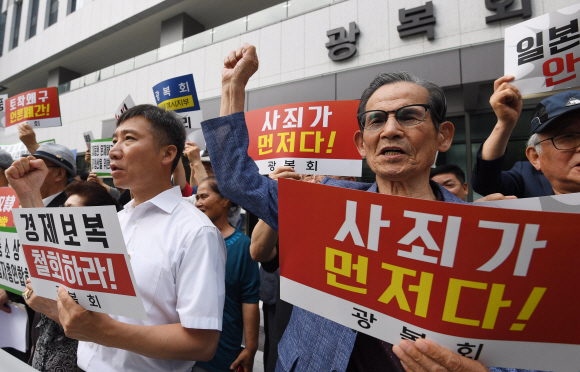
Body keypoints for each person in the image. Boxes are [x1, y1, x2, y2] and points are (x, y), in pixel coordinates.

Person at [201, 43, 540, 372]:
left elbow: (533, 353)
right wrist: (233, 87)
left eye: (410, 116)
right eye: (376, 120)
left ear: (444, 136)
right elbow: (236, 181)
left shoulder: (486, 233)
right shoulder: (324, 203)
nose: (391, 130)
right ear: (361, 144)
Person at [7, 104, 227, 371]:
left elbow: (202, 344)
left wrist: (105, 332)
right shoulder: (114, 222)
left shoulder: (195, 232)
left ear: (168, 153)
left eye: (129, 139)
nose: (113, 150)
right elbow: (71, 288)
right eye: (114, 140)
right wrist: (29, 195)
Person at [5, 177, 120, 371]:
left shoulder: (105, 268)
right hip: (42, 352)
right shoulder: (56, 254)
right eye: (63, 207)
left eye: (70, 210)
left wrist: (52, 309)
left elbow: (100, 328)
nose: (62, 215)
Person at [192, 177, 260, 372]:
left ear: (225, 200)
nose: (198, 203)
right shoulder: (188, 240)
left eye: (204, 196)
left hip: (222, 353)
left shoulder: (242, 245)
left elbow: (249, 300)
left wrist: (251, 347)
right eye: (197, 197)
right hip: (185, 349)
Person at [471, 76, 554, 197]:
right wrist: (505, 123)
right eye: (567, 137)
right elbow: (485, 183)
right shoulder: (527, 176)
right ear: (535, 156)